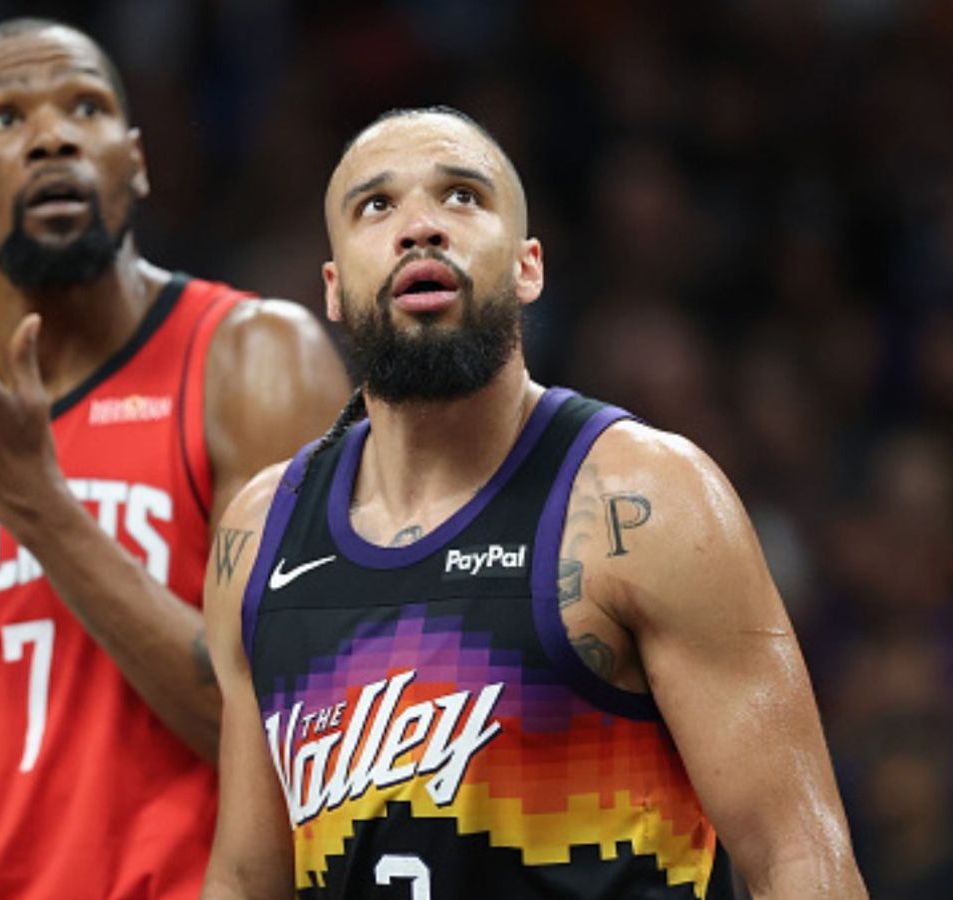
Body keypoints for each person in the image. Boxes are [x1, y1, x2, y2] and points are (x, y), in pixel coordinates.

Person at [199, 107, 868, 899]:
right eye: (376, 206)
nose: (420, 228)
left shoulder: (648, 499)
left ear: (528, 268)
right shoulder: (260, 530)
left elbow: (799, 856)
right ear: (335, 289)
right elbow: (246, 878)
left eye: (461, 197)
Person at [0, 18, 351, 900]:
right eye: (4, 118)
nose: (52, 136)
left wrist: (37, 506)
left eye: (86, 107)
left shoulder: (254, 361)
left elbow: (294, 740)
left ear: (136, 160)